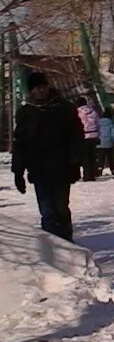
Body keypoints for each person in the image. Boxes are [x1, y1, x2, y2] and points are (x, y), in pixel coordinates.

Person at [11, 71, 84, 241]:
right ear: (31, 91)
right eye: (36, 88)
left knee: (61, 209)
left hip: (62, 168)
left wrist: (75, 163)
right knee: (47, 211)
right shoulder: (26, 113)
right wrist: (18, 172)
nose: (41, 90)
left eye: (43, 86)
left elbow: (76, 137)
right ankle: (54, 250)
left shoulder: (65, 109)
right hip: (39, 169)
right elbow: (20, 144)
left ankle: (67, 245)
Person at [76, 97, 100, 182]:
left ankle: (87, 175)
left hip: (84, 136)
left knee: (85, 157)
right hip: (94, 135)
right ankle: (93, 174)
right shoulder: (93, 111)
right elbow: (98, 123)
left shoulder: (77, 112)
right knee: (92, 155)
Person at [97, 108, 114, 176]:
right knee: (110, 157)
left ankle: (99, 169)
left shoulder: (98, 123)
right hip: (109, 143)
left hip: (100, 142)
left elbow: (97, 132)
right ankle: (113, 169)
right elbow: (113, 134)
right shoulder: (111, 124)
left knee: (101, 157)